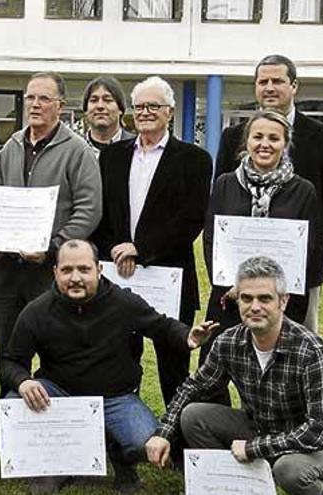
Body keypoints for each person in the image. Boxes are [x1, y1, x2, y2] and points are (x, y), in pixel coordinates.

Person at [1, 239, 215, 494]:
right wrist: (24, 381)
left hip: (115, 397)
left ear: (99, 270)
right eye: (67, 270)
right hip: (59, 397)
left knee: (143, 442)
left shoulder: (123, 303)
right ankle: (55, 465)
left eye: (84, 269)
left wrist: (187, 336)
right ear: (55, 272)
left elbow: (161, 325)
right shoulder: (37, 311)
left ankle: (119, 457)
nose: (75, 278)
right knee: (15, 399)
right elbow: (11, 360)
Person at [146, 256, 323, 495]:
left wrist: (253, 448)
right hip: (265, 428)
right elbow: (192, 388)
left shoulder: (311, 350)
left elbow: (320, 430)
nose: (254, 306)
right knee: (194, 416)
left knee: (291, 470)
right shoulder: (228, 341)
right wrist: (163, 434)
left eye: (265, 298)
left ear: (283, 301)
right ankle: (238, 487)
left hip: (322, 446)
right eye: (247, 298)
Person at [92, 76, 212, 406]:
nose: (145, 112)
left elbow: (191, 218)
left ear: (170, 112)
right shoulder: (112, 156)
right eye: (140, 106)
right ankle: (120, 438)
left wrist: (141, 248)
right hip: (120, 274)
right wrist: (119, 249)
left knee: (173, 364)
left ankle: (176, 441)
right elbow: (103, 213)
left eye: (153, 106)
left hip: (168, 275)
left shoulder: (194, 160)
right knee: (118, 359)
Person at [0, 71, 102, 401]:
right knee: (8, 349)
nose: (35, 105)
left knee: (59, 348)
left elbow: (89, 210)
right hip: (8, 271)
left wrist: (54, 248)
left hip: (52, 270)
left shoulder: (77, 151)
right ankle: (12, 422)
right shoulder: (10, 146)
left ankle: (63, 422)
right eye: (30, 98)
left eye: (44, 98)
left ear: (60, 106)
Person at [215, 54, 323, 332]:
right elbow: (220, 208)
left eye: (278, 81)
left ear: (294, 86)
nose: (270, 87)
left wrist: (294, 245)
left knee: (297, 341)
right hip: (238, 267)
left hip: (299, 268)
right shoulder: (232, 136)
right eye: (263, 81)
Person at [201, 110, 323, 382]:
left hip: (280, 301)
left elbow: (310, 249)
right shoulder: (225, 184)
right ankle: (216, 423)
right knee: (211, 372)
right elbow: (212, 239)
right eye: (257, 137)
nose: (264, 144)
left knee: (277, 375)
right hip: (229, 296)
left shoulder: (303, 190)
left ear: (285, 144)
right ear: (247, 141)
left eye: (274, 138)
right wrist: (231, 285)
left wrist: (273, 291)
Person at [81, 76, 134, 156]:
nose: (100, 106)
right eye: (94, 100)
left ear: (120, 109)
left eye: (108, 100)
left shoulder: (137, 148)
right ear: (86, 110)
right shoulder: (74, 149)